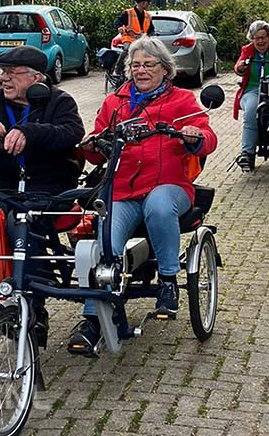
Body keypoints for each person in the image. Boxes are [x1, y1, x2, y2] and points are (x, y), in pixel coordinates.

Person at [69, 37, 218, 354]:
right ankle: (95, 317)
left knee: (159, 206)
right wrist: (93, 145)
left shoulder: (181, 101)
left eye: (149, 65)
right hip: (122, 188)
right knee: (105, 237)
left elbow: (208, 138)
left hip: (169, 184)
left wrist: (195, 136)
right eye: (135, 65)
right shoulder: (116, 102)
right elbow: (97, 153)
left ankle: (167, 281)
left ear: (165, 69)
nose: (141, 70)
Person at [0, 45, 86, 344]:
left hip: (47, 189)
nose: (3, 78)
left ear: (37, 78)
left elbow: (72, 133)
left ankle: (34, 309)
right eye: (2, 71)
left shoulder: (59, 101)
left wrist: (31, 132)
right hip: (3, 187)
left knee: (24, 225)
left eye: (12, 73)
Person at [233, 20, 269, 170]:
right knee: (251, 111)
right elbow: (238, 67)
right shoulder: (248, 50)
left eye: (264, 37)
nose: (261, 41)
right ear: (252, 38)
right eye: (257, 38)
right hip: (253, 89)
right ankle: (247, 153)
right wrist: (241, 67)